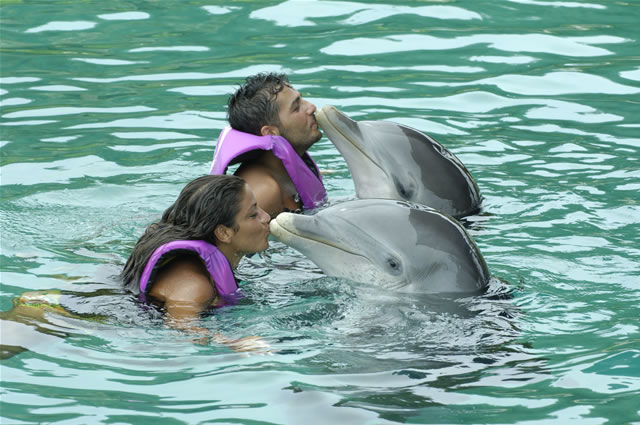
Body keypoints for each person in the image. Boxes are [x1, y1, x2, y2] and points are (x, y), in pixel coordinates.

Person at [121, 174, 271, 350]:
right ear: (224, 233)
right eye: (253, 214)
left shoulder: (203, 267)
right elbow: (180, 332)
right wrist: (232, 343)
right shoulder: (194, 284)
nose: (266, 217)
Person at [210, 72, 327, 219]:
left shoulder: (289, 168)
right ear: (271, 132)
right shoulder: (263, 191)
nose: (312, 107)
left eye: (301, 99)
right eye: (296, 107)